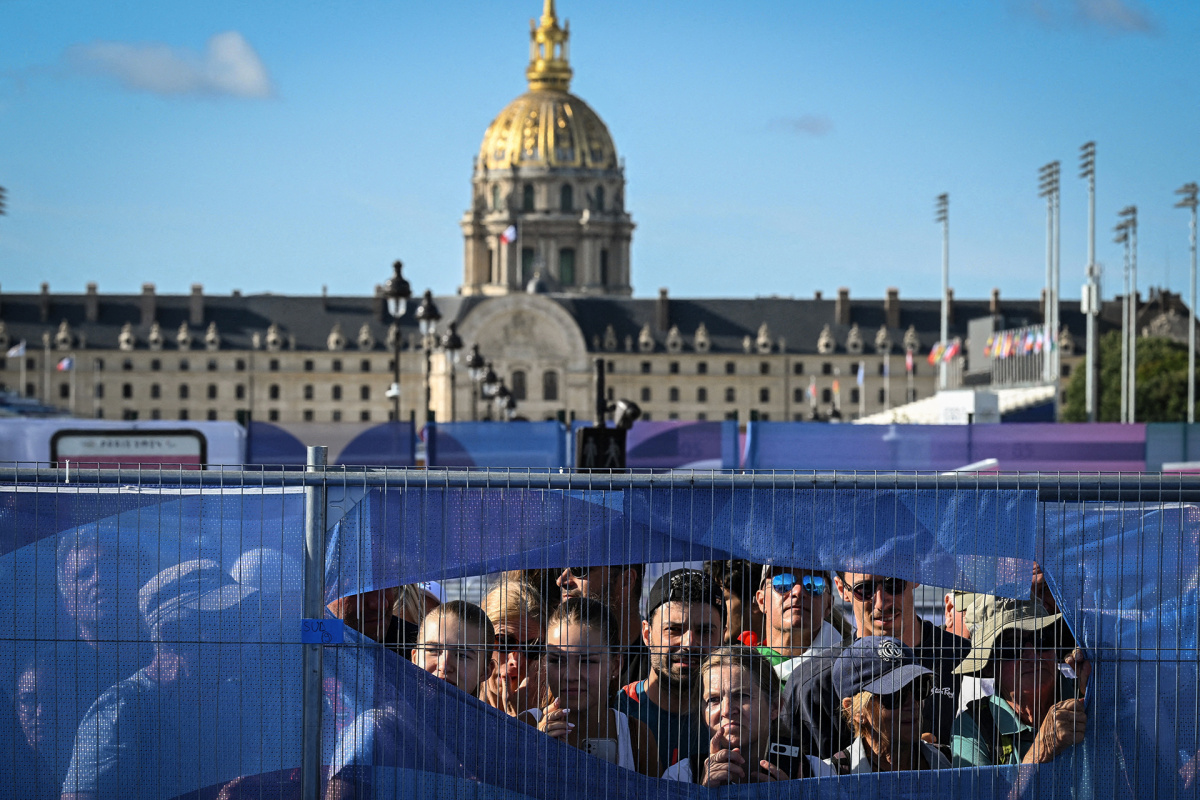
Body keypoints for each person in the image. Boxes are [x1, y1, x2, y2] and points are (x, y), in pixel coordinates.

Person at [62, 559, 262, 800]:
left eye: (240, 622)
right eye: (224, 625)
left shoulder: (234, 699)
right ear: (172, 635)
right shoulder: (120, 711)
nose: (239, 636)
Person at [833, 570, 968, 747]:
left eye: (894, 584)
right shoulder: (819, 679)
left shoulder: (970, 660)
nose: (882, 602)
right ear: (842, 589)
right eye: (865, 589)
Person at [950, 598, 1090, 767]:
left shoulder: (1089, 694)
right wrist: (1040, 751)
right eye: (1011, 646)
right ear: (988, 666)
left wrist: (1099, 702)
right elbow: (980, 794)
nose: (1032, 656)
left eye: (1042, 638)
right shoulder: (975, 725)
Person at [662, 647, 831, 783]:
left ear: (774, 707)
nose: (727, 710)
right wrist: (702, 794)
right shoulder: (681, 777)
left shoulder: (816, 772)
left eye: (742, 696)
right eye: (713, 699)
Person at [531, 597, 659, 777]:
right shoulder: (524, 726)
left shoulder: (636, 737)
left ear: (615, 665)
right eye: (556, 660)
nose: (570, 676)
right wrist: (533, 756)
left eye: (587, 661)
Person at [614, 568, 724, 770]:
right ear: (647, 634)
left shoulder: (732, 721)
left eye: (705, 631)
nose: (689, 643)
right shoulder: (614, 712)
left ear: (722, 637)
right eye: (673, 629)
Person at [825, 636, 951, 774]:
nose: (912, 703)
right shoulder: (830, 776)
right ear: (855, 710)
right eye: (894, 695)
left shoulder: (953, 763)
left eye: (919, 688)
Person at [556, 564, 649, 685]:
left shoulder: (660, 666)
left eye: (579, 569)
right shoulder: (546, 656)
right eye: (561, 569)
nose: (561, 581)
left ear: (627, 580)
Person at [480, 578, 548, 716]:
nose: (515, 662)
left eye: (532, 648)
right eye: (504, 642)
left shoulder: (557, 717)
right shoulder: (455, 706)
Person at [410, 600, 495, 696]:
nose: (444, 666)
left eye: (462, 655)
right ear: (415, 658)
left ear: (485, 671)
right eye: (432, 650)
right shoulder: (391, 710)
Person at [702, 560, 765, 645]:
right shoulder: (701, 653)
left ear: (757, 602)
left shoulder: (783, 655)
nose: (711, 611)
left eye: (720, 600)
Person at [328, 586, 399, 644]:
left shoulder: (406, 646)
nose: (382, 604)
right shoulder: (319, 651)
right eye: (357, 589)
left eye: (387, 585)